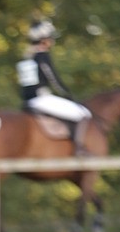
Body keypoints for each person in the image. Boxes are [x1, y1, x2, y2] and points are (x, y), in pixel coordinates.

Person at [16, 20, 92, 154]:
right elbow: (54, 80)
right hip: (41, 99)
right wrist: (68, 95)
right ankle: (79, 148)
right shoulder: (42, 56)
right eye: (50, 39)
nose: (51, 42)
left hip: (27, 101)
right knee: (83, 113)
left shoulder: (26, 57)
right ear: (44, 41)